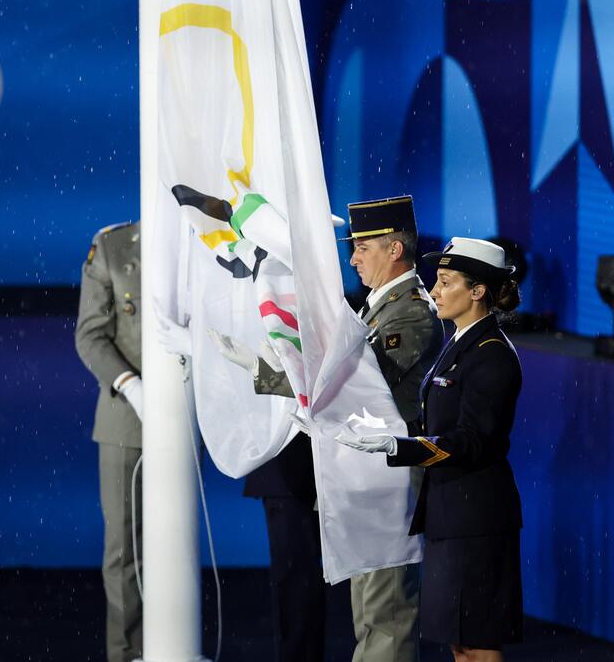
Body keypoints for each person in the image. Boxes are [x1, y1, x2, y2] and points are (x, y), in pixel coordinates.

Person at [214, 195, 443, 662]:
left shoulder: (412, 311)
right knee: (370, 615)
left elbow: (355, 382)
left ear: (394, 249)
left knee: (388, 619)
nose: (353, 257)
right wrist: (268, 369)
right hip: (363, 477)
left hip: (389, 481)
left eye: (363, 247)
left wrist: (271, 371)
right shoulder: (378, 308)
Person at [336, 237, 524, 662]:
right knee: (459, 642)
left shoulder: (492, 355)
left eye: (445, 282)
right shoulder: (460, 346)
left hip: (476, 517)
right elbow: (434, 423)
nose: (434, 290)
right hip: (449, 512)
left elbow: (472, 443)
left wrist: (401, 447)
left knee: (476, 644)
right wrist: (386, 431)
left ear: (477, 292)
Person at [74, 221, 143, 662]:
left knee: (177, 543)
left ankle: (177, 643)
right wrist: (131, 385)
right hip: (125, 421)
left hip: (185, 418)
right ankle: (128, 654)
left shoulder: (207, 239)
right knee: (124, 550)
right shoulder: (114, 246)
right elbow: (90, 334)